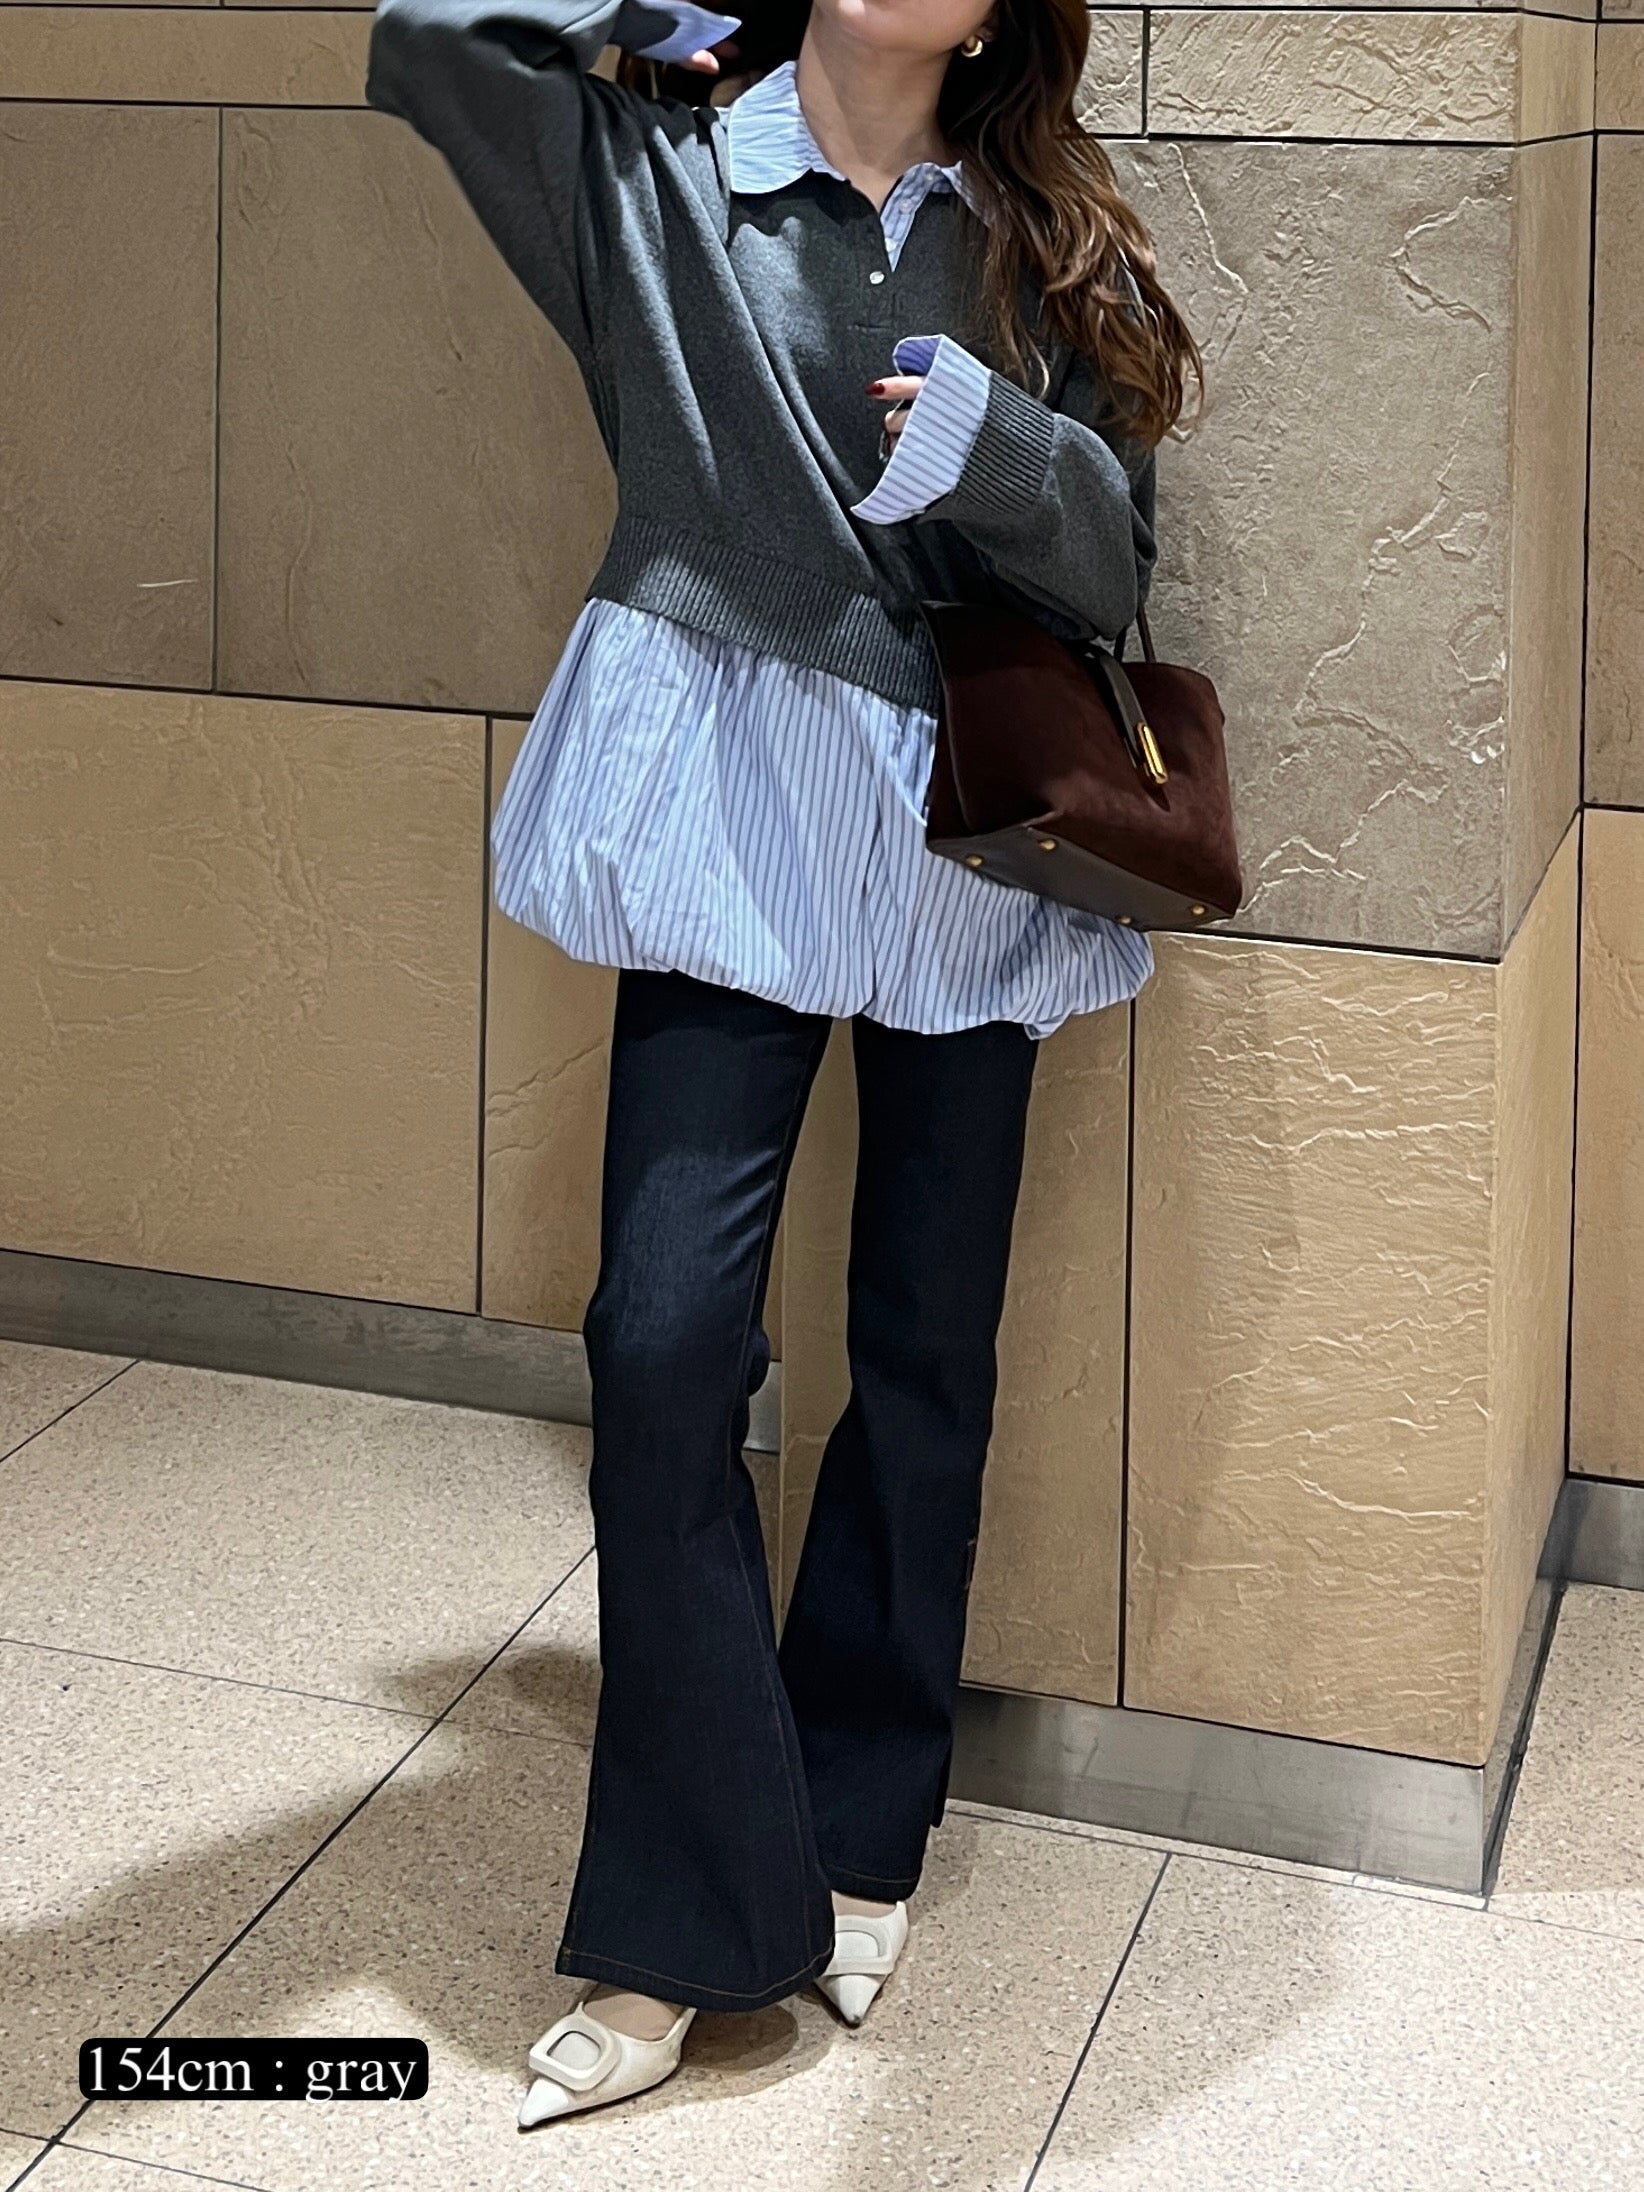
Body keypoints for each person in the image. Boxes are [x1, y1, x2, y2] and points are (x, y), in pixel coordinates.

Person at [365, 0, 1200, 2126]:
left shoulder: (1045, 235)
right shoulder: (658, 173)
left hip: (968, 835)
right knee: (661, 1342)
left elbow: (1120, 555)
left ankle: (858, 1821)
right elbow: (425, 32)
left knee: (922, 1344)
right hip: (719, 812)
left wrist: (998, 450)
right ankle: (684, 1919)